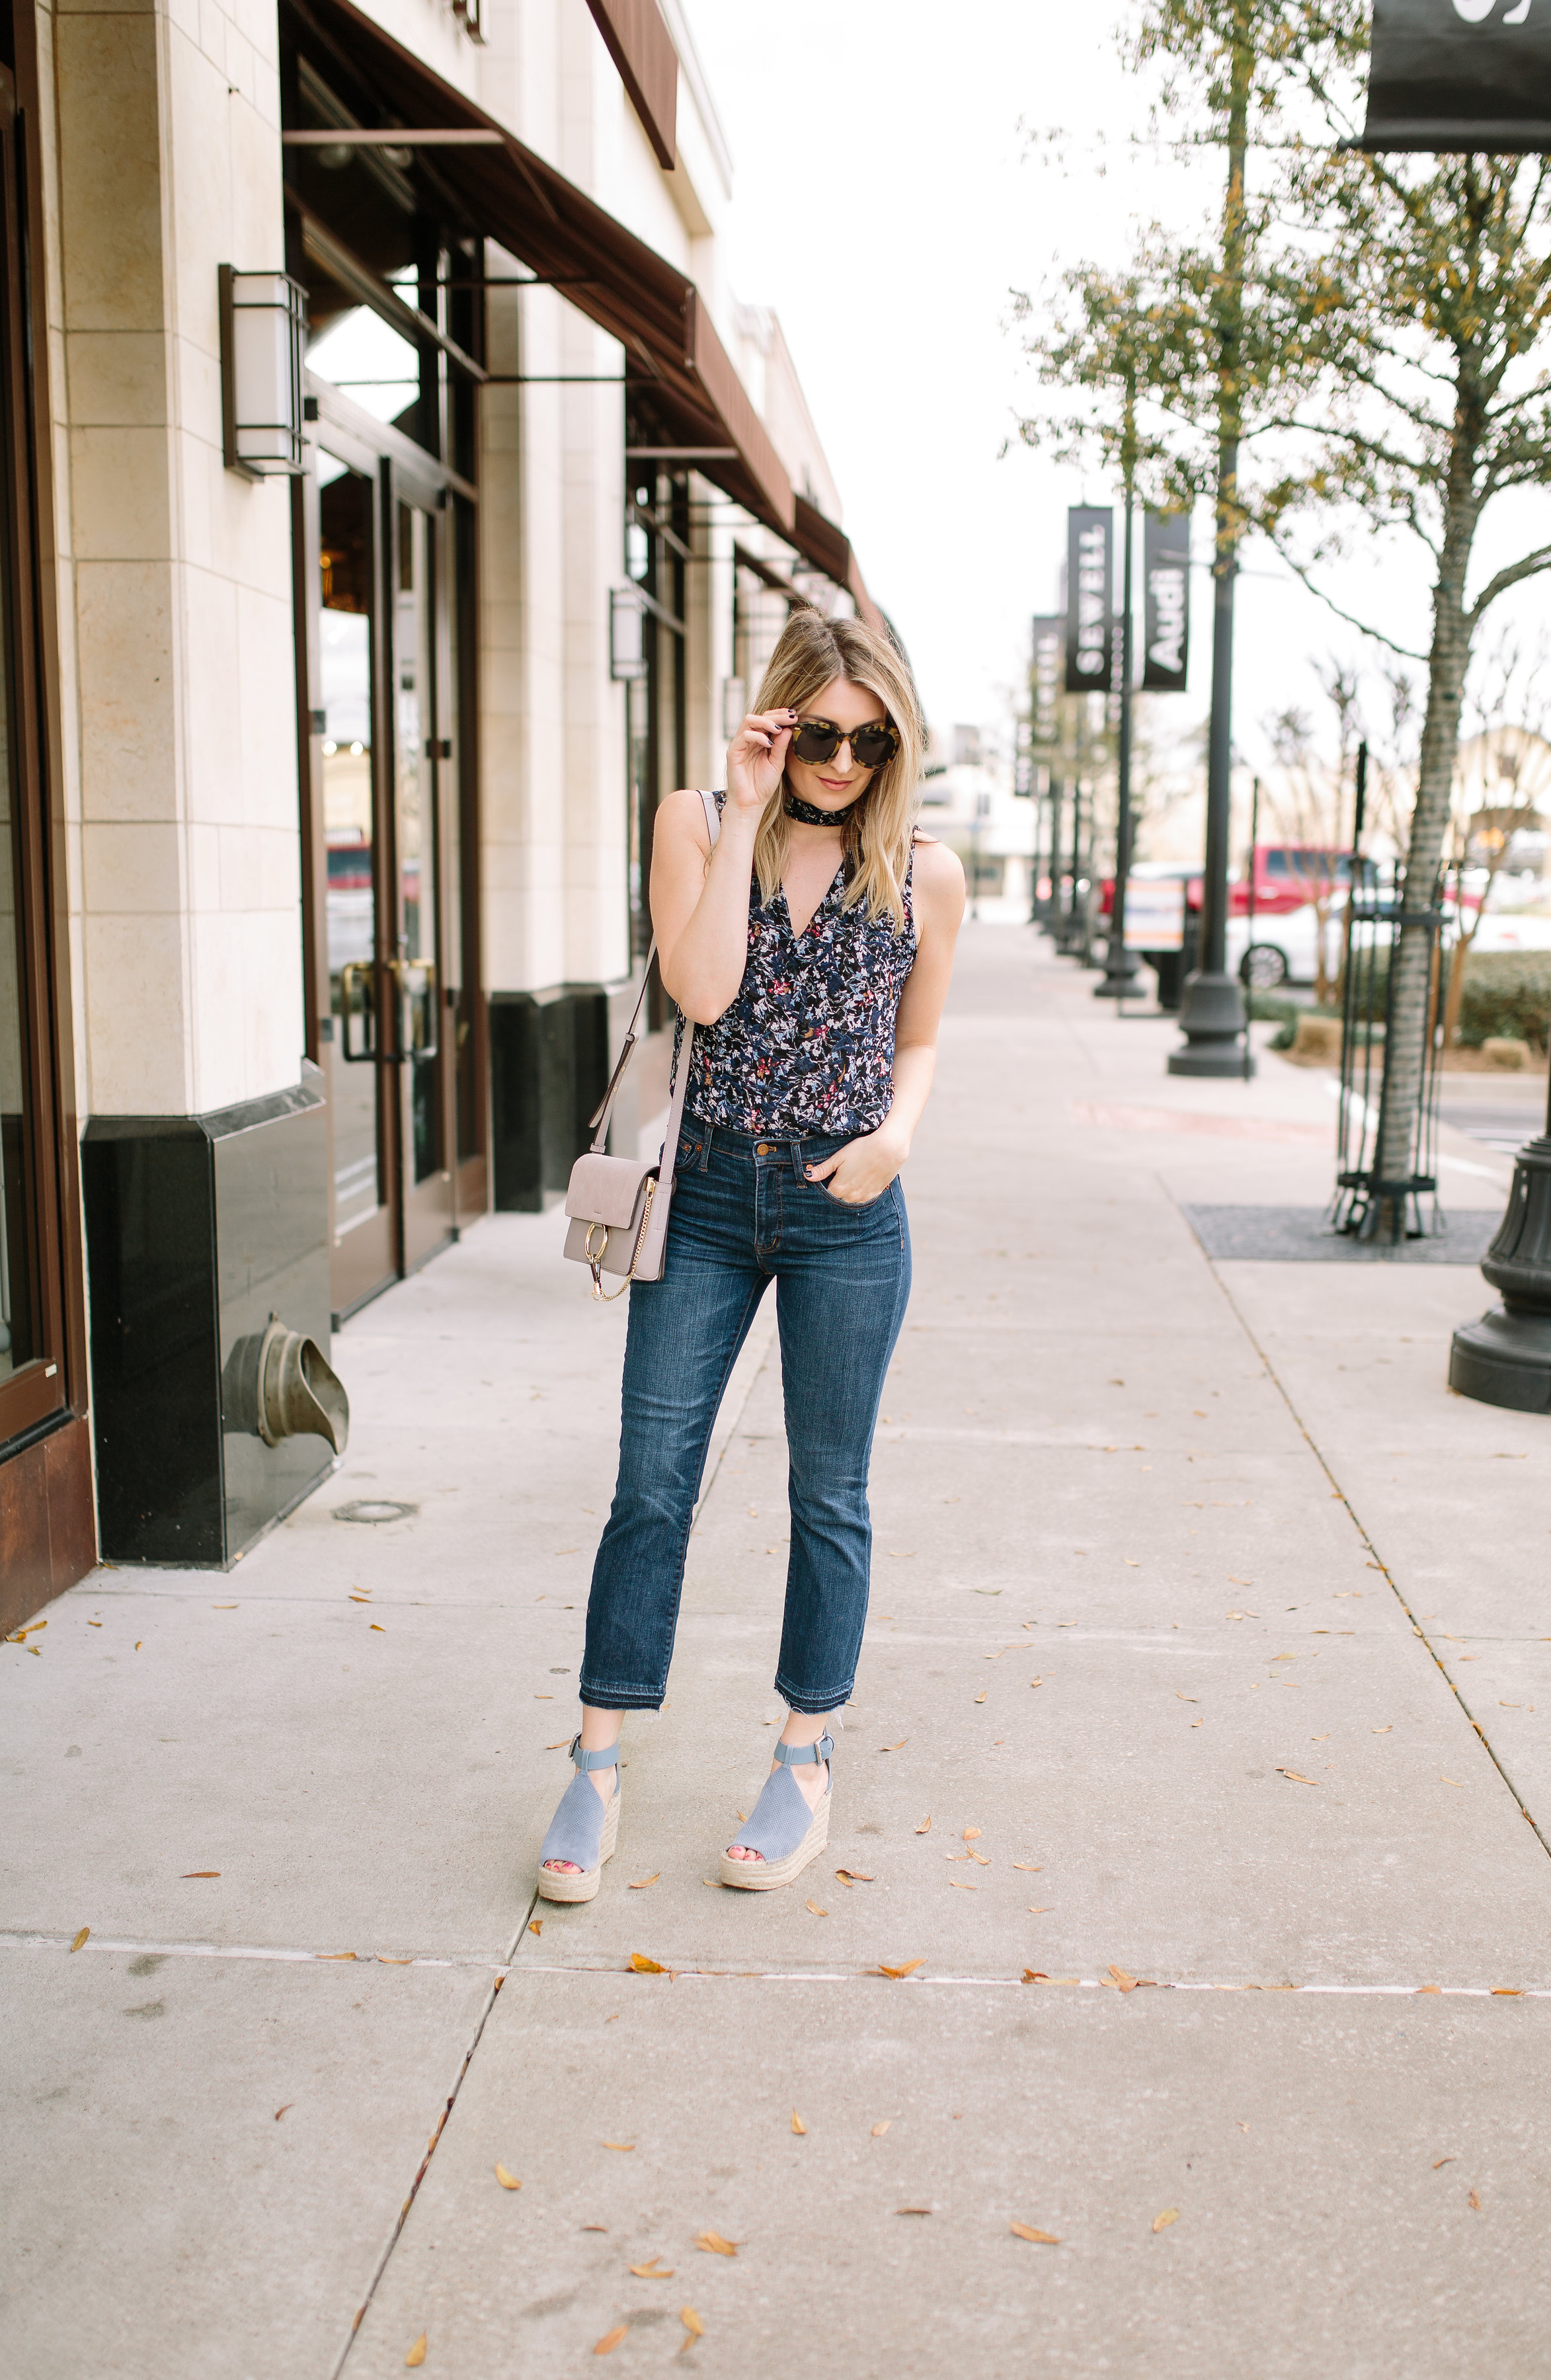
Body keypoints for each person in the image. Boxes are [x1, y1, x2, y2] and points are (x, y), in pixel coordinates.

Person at [537, 604, 965, 1901]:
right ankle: (597, 1761)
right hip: (713, 1195)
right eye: (822, 735)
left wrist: (898, 1136)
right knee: (651, 1482)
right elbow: (704, 994)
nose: (843, 763)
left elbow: (922, 1039)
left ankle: (803, 1756)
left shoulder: (924, 872)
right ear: (782, 720)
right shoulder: (695, 823)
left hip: (848, 1205)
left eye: (872, 742)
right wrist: (741, 803)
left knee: (827, 1494)